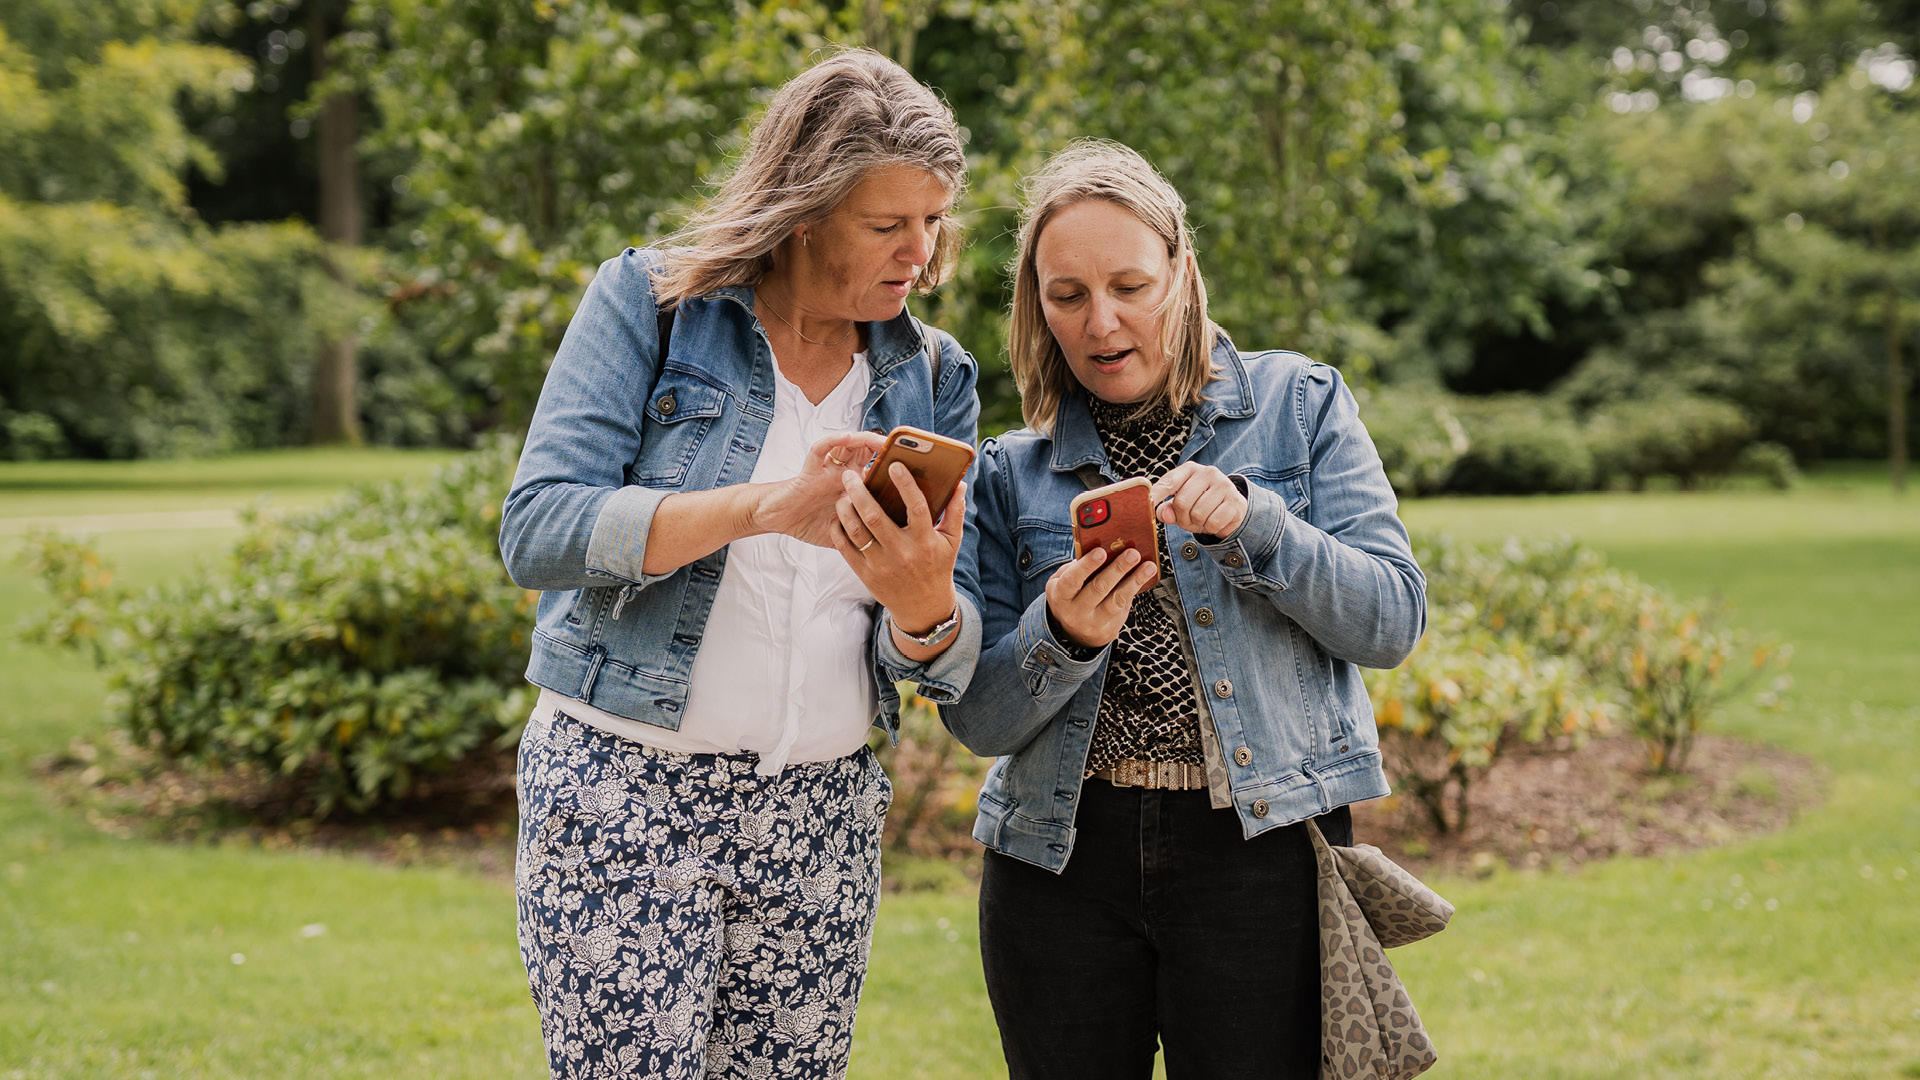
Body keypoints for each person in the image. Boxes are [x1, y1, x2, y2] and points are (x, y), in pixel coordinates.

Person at [497, 49, 981, 1080]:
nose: (922, 254)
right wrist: (765, 508)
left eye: (934, 222)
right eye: (889, 225)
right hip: (624, 795)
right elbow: (538, 529)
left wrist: (923, 606)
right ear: (806, 210)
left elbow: (937, 653)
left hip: (822, 815)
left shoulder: (933, 377)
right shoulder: (655, 304)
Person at [942, 140, 1427, 1079]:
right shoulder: (1010, 469)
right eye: (1068, 295)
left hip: (1262, 855)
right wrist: (1064, 635)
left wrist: (1260, 530)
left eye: (1130, 284)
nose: (1101, 321)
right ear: (1036, 305)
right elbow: (978, 717)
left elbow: (1393, 620)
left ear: (1183, 270)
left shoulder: (1303, 405)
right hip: (1057, 868)